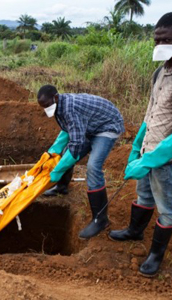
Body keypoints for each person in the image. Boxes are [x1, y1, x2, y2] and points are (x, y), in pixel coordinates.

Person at [109, 13, 172, 277]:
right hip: (148, 149)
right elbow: (150, 113)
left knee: (167, 209)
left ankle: (156, 255)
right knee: (144, 194)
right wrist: (137, 148)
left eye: (166, 39)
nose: (160, 45)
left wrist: (152, 158)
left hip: (165, 158)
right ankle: (135, 231)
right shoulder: (160, 72)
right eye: (157, 40)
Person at [38, 85, 124, 239]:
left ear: (56, 97)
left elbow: (76, 144)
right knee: (65, 154)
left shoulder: (70, 108)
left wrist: (57, 170)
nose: (46, 108)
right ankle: (61, 187)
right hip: (90, 126)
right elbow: (66, 132)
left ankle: (100, 219)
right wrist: (52, 152)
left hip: (107, 126)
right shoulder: (59, 106)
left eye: (47, 105)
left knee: (93, 167)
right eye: (43, 107)